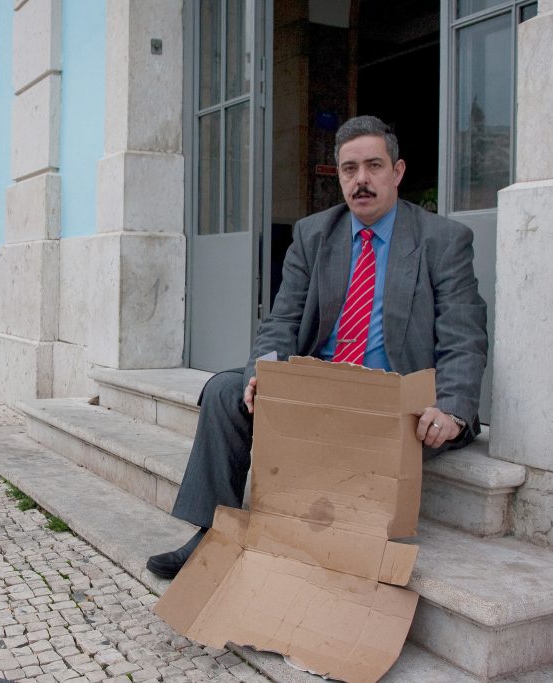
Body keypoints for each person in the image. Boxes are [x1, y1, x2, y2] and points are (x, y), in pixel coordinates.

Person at [146, 115, 489, 580]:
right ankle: (213, 534)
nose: (361, 180)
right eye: (349, 169)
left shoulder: (441, 240)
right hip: (320, 388)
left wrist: (451, 408)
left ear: (398, 171)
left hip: (392, 404)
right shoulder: (313, 235)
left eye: (373, 166)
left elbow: (463, 336)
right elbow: (282, 319)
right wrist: (262, 373)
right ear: (339, 175)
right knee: (227, 390)